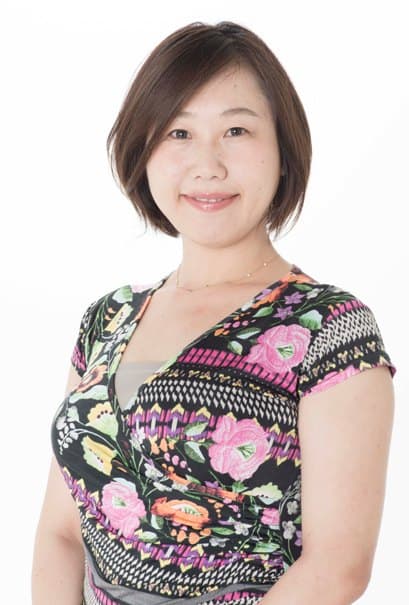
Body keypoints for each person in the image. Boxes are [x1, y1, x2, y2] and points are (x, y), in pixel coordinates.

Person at [32, 20, 397, 605]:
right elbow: (62, 530)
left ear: (283, 152)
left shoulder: (328, 327)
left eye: (236, 130)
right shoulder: (107, 318)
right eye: (178, 132)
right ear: (144, 152)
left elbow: (338, 567)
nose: (208, 164)